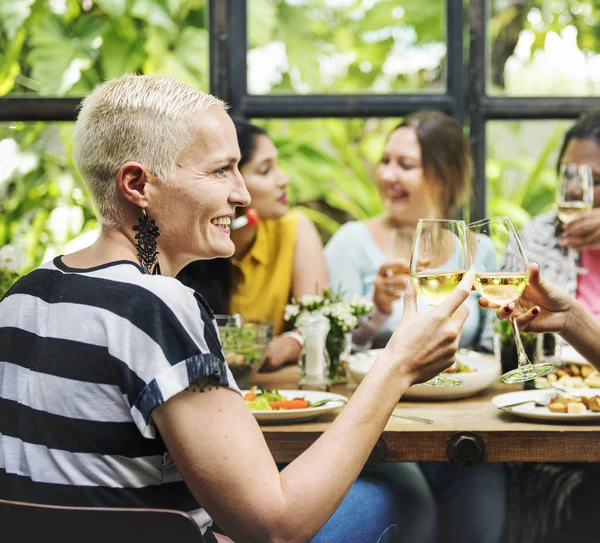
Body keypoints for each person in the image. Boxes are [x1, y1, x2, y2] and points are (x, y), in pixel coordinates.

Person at [0, 74, 478, 543]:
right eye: (219, 170)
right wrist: (397, 365)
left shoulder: (21, 295)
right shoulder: (158, 306)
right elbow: (276, 527)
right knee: (401, 499)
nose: (242, 194)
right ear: (137, 184)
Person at [325, 110, 495, 350]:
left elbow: (493, 344)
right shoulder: (350, 243)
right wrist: (378, 309)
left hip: (461, 386)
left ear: (444, 177)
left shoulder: (478, 249)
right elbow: (333, 347)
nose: (386, 174)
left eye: (405, 165)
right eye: (385, 161)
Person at [177, 120, 328, 371]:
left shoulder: (294, 229)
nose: (284, 180)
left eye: (277, 166)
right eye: (265, 171)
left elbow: (316, 318)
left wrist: (292, 342)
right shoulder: (190, 241)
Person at [480, 111, 600, 352]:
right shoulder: (540, 233)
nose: (573, 189)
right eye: (567, 175)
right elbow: (492, 337)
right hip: (555, 381)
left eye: (592, 180)